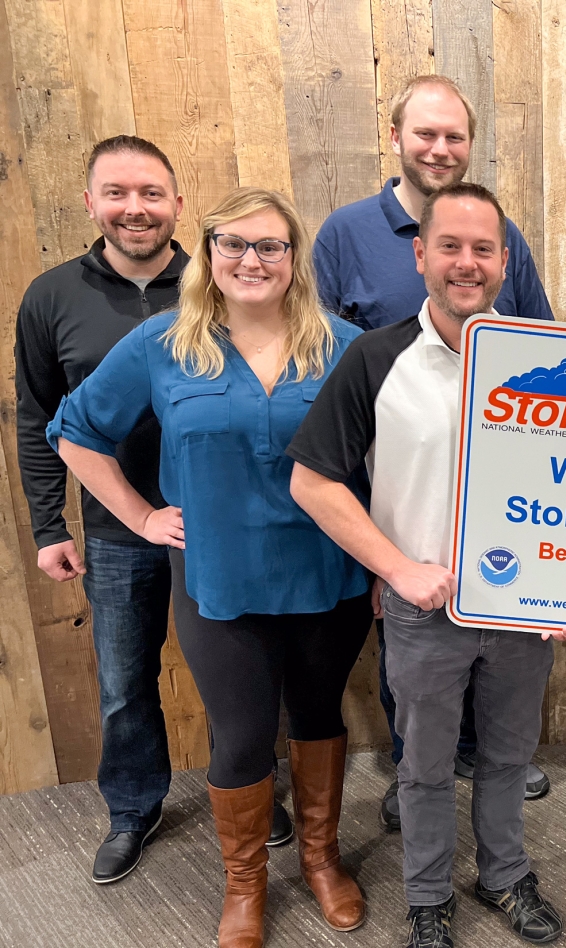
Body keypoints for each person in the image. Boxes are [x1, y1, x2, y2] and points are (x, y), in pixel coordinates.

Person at [50, 187, 372, 948]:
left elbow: (388, 460)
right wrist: (141, 517)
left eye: (270, 246)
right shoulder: (164, 344)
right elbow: (76, 432)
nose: (251, 259)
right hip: (218, 583)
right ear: (210, 254)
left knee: (322, 716)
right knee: (241, 737)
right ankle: (245, 883)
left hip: (331, 576)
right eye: (233, 244)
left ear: (295, 259)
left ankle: (322, 861)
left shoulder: (346, 345)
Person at [290, 182, 566, 948]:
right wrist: (395, 568)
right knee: (422, 768)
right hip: (423, 614)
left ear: (504, 260)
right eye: (449, 246)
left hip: (519, 613)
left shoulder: (550, 362)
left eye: (483, 249)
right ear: (420, 255)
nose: (467, 263)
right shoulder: (376, 358)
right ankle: (427, 897)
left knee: (507, 756)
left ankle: (503, 875)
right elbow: (314, 480)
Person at [14, 136, 290, 885]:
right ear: (91, 203)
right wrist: (52, 525)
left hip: (225, 530)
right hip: (121, 531)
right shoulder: (52, 297)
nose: (134, 208)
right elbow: (43, 417)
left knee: (251, 672)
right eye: (117, 193)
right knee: (124, 680)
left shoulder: (226, 282)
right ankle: (133, 807)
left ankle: (263, 793)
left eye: (150, 194)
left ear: (176, 204)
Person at [313, 74, 554, 822]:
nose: (440, 148)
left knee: (501, 693)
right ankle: (418, 772)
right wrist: (385, 550)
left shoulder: (506, 238)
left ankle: (487, 769)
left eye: (455, 136)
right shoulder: (344, 235)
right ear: (396, 139)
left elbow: (551, 367)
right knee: (415, 676)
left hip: (504, 520)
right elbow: (331, 383)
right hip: (401, 510)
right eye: (426, 133)